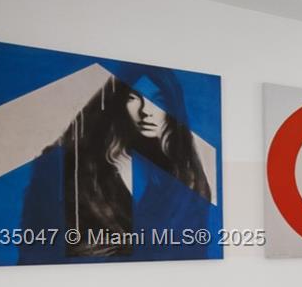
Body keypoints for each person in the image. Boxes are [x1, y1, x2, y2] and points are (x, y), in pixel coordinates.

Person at [19, 65, 214, 263]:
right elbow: (36, 248)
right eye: (133, 98)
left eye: (159, 100)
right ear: (118, 102)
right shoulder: (65, 164)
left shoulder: (187, 177)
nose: (146, 111)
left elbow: (194, 252)